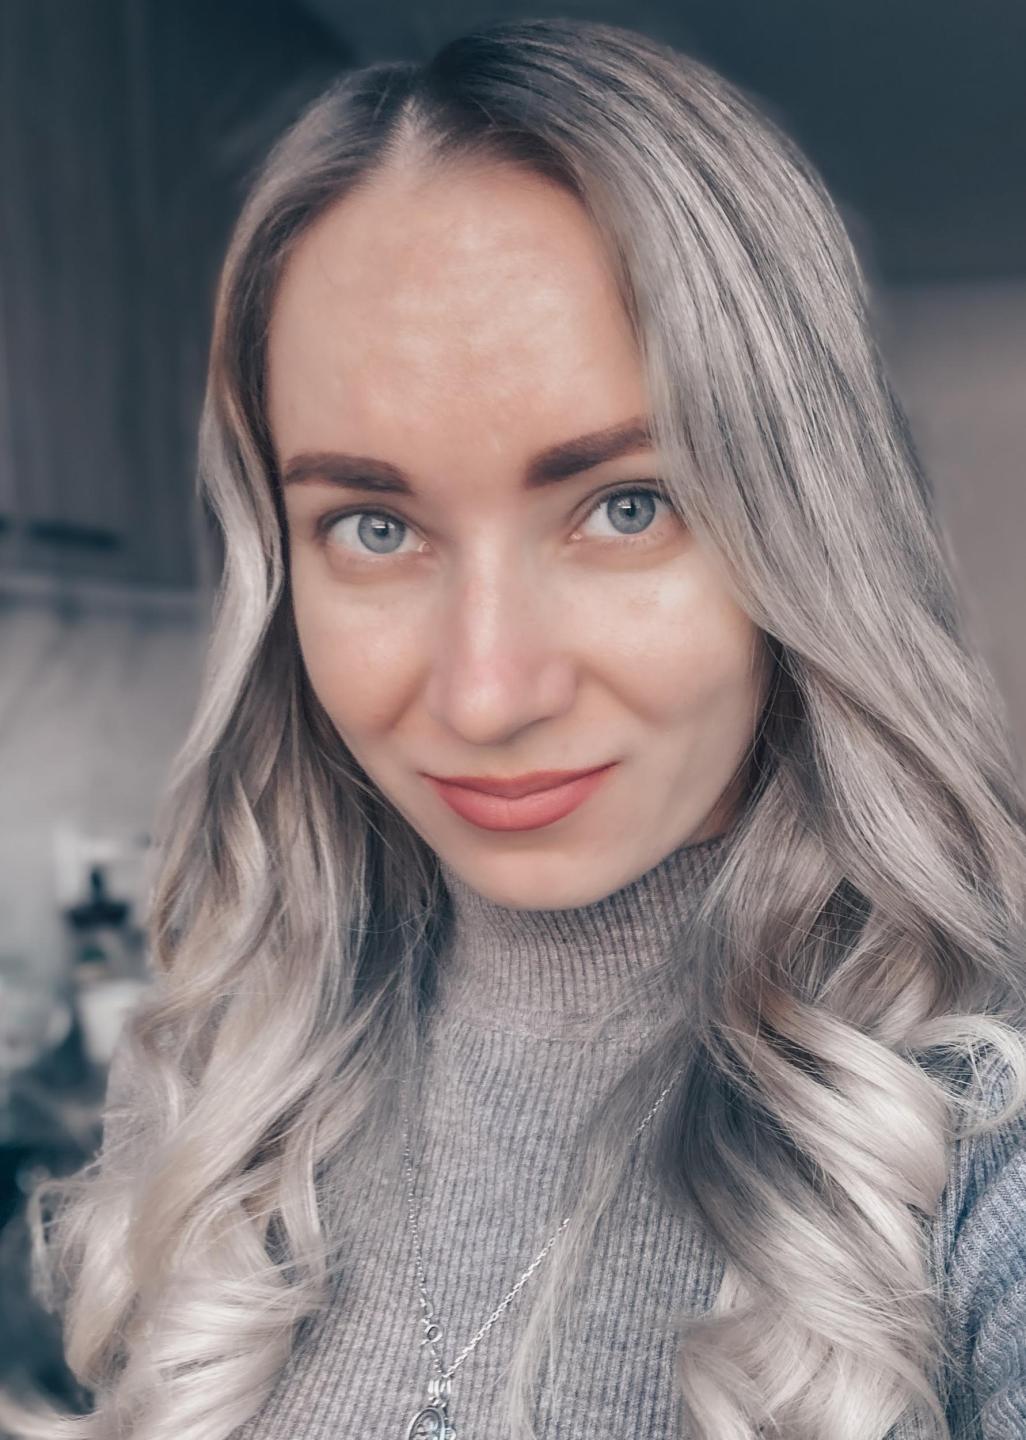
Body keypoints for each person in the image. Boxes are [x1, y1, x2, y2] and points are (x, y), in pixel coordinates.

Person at [3, 16, 1026, 1440]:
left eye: (626, 505)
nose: (485, 694)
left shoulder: (977, 1134)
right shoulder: (217, 1078)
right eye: (373, 526)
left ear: (807, 526)